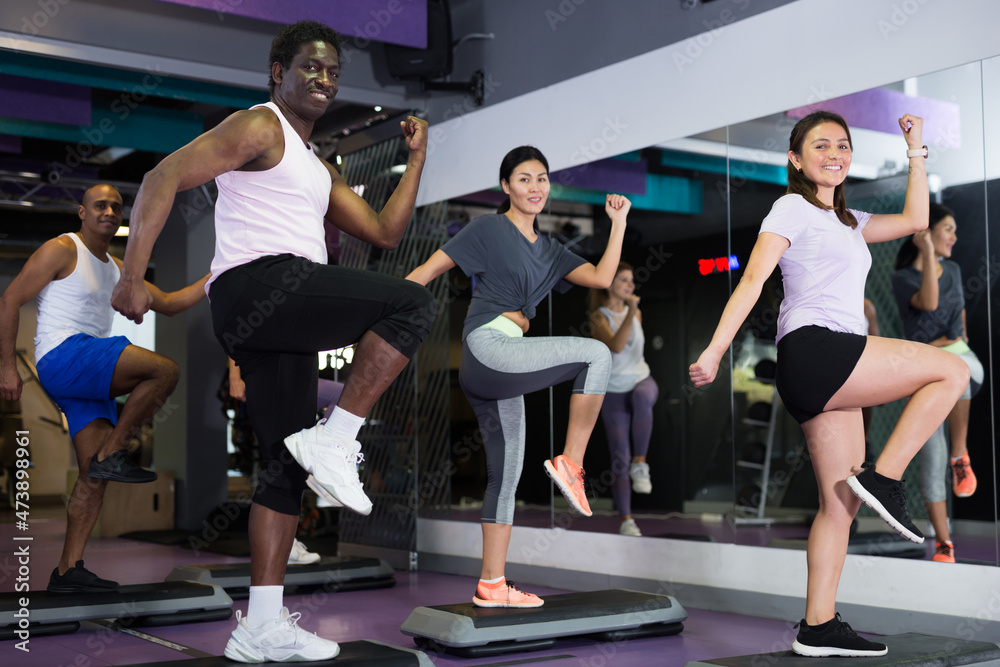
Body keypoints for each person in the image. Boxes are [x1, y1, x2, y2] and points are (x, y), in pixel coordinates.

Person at [111, 21, 435, 663]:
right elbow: (160, 177)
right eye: (311, 67)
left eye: (333, 72)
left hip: (272, 310)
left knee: (284, 469)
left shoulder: (315, 166)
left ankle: (260, 625)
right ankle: (338, 438)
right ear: (277, 73)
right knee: (412, 302)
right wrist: (131, 275)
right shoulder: (259, 125)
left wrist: (419, 159)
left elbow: (385, 233)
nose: (324, 79)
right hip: (264, 285)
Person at [689, 112, 969, 658]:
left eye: (843, 145)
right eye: (821, 145)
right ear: (796, 159)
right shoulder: (790, 207)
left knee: (838, 505)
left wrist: (915, 149)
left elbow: (916, 218)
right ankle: (886, 478)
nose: (835, 153)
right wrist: (716, 349)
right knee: (951, 369)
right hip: (817, 350)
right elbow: (752, 279)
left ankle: (817, 625)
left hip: (824, 368)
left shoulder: (852, 220)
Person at [407, 145, 627, 608]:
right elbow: (429, 269)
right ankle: (570, 463)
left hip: (501, 365)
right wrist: (384, 308)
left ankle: (491, 584)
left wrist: (619, 222)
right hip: (489, 346)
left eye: (542, 178)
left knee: (504, 477)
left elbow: (605, 277)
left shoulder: (550, 250)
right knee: (595, 355)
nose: (535, 187)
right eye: (524, 178)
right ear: (506, 186)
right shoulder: (487, 228)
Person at [0, 184, 208, 594]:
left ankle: (67, 570)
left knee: (93, 477)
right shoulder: (62, 249)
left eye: (116, 206)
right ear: (82, 212)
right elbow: (9, 299)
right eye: (100, 205)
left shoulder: (117, 269)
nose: (110, 211)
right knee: (164, 371)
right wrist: (7, 367)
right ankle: (115, 451)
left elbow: (169, 302)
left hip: (84, 377)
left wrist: (218, 275)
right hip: (64, 355)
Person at [892, 202, 984, 564]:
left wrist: (947, 343)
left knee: (959, 371)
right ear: (926, 234)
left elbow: (957, 318)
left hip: (959, 355)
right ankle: (944, 543)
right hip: (922, 369)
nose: (955, 237)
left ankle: (960, 455)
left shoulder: (956, 269)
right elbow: (928, 303)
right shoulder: (903, 278)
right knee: (931, 457)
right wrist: (928, 253)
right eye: (948, 229)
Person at [227, 356, 345, 564]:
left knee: (341, 395)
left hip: (297, 378)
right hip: (270, 380)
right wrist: (234, 377)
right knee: (281, 468)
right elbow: (236, 328)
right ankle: (284, 544)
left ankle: (320, 459)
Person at [587, 262, 659, 536]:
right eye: (624, 280)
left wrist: (632, 311)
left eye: (632, 280)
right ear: (609, 284)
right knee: (619, 457)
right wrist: (630, 312)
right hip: (613, 390)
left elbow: (634, 351)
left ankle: (640, 464)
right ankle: (626, 519)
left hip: (641, 379)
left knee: (642, 398)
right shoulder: (598, 317)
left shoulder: (636, 312)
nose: (631, 285)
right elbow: (616, 346)